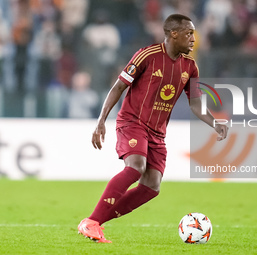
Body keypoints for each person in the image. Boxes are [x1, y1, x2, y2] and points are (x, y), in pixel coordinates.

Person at [77, 14, 228, 243]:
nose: (193, 39)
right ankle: (91, 222)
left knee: (151, 186)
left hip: (157, 132)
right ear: (173, 34)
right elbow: (119, 86)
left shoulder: (191, 67)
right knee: (136, 167)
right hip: (132, 122)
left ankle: (95, 222)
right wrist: (101, 121)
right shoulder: (147, 55)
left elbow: (195, 103)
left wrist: (214, 123)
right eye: (189, 33)